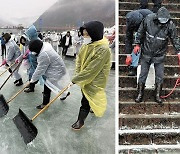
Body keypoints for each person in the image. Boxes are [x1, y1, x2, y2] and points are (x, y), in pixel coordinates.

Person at [134, 7, 180, 104]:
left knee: (160, 75)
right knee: (143, 74)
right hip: (146, 52)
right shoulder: (148, 19)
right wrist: (137, 44)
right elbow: (140, 31)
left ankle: (157, 95)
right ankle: (140, 94)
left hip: (160, 54)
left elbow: (175, 38)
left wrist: (178, 51)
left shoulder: (170, 25)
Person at [71, 21, 111, 130]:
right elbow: (79, 60)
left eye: (87, 34)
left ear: (94, 34)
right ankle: (91, 107)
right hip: (84, 77)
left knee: (85, 99)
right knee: (86, 95)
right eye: (83, 34)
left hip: (95, 79)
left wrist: (76, 79)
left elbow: (92, 69)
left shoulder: (103, 49)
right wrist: (78, 74)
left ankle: (80, 121)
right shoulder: (87, 45)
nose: (85, 37)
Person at [28, 39, 71, 109]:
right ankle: (65, 93)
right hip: (56, 67)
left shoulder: (44, 54)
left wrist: (32, 80)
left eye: (33, 51)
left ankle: (45, 104)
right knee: (54, 84)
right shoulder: (44, 45)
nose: (33, 53)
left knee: (47, 85)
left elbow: (40, 70)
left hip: (56, 70)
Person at [125, 9, 153, 76]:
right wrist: (128, 55)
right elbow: (128, 39)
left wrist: (138, 44)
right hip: (140, 32)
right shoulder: (130, 21)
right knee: (136, 49)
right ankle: (133, 66)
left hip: (151, 32)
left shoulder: (150, 17)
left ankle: (151, 66)